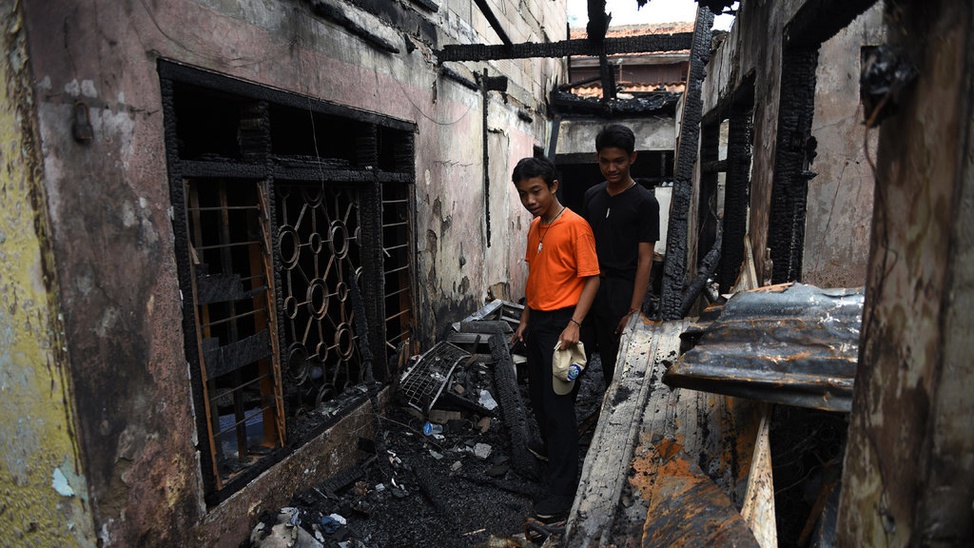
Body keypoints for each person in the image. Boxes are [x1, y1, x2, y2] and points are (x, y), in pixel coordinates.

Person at [510, 156, 600, 521]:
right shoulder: (535, 227)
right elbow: (536, 276)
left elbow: (592, 278)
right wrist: (525, 318)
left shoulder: (576, 226)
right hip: (540, 325)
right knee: (540, 401)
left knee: (559, 407)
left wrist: (575, 323)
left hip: (566, 325)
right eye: (523, 194)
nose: (530, 200)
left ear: (553, 187)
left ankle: (562, 495)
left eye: (536, 192)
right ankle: (554, 468)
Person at [582, 124, 660, 387]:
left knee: (616, 368)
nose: (611, 168)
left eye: (619, 161)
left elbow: (645, 260)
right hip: (590, 286)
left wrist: (633, 311)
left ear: (632, 158)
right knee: (572, 360)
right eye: (605, 161)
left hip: (622, 290)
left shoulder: (645, 202)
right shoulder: (592, 195)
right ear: (597, 159)